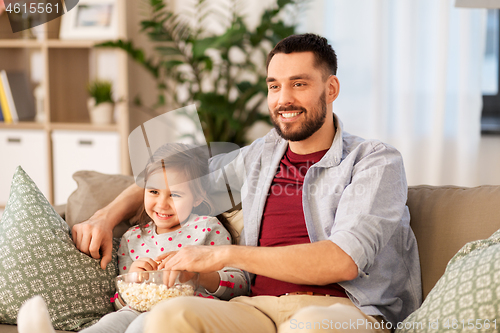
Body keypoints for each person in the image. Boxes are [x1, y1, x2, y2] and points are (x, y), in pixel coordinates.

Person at [72, 33, 422, 333]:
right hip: (257, 309)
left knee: (309, 326)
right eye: (274, 86)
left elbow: (342, 260)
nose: (283, 99)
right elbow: (178, 177)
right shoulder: (261, 156)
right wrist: (106, 216)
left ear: (331, 89)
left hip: (346, 312)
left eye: (299, 84)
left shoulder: (374, 161)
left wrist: (221, 254)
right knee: (168, 316)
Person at [17, 143, 247, 333]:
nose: (162, 203)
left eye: (175, 194)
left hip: (186, 310)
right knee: (108, 324)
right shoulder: (133, 237)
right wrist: (133, 279)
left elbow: (239, 284)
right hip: (137, 307)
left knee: (140, 326)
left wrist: (198, 276)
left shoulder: (209, 229)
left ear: (198, 197)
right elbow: (118, 302)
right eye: (154, 191)